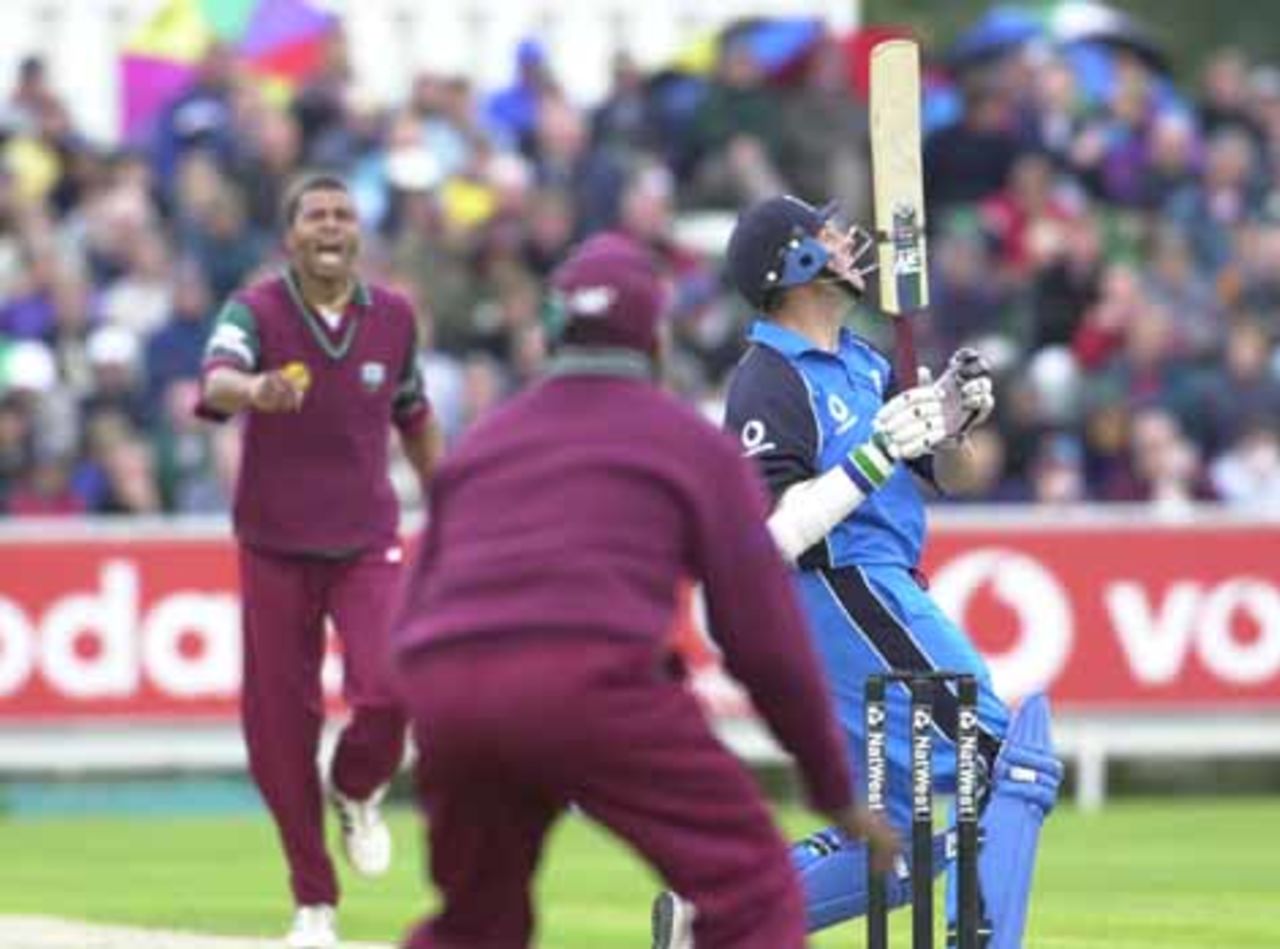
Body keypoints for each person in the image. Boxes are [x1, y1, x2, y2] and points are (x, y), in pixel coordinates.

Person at [390, 232, 897, 949]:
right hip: (589, 682)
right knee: (755, 891)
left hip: (448, 693)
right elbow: (762, 635)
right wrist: (832, 784)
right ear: (656, 342)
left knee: (477, 923)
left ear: (552, 336)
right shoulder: (687, 444)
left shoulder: (483, 443)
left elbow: (413, 604)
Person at [653, 195, 1063, 949]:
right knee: (1009, 760)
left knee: (896, 840)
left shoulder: (864, 361)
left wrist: (954, 422)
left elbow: (949, 476)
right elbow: (769, 533)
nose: (848, 242)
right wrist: (877, 450)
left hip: (879, 583)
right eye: (827, 234)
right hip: (836, 586)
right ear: (794, 264)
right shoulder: (770, 376)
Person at [198, 173, 442, 949]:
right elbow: (217, 377)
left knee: (390, 684)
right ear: (290, 236)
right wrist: (255, 389)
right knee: (279, 730)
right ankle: (314, 903)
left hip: (366, 538)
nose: (331, 226)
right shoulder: (259, 309)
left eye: (343, 214)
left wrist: (461, 503)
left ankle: (357, 785)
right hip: (273, 544)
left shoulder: (394, 315)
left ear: (358, 232)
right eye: (315, 216)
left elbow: (414, 414)